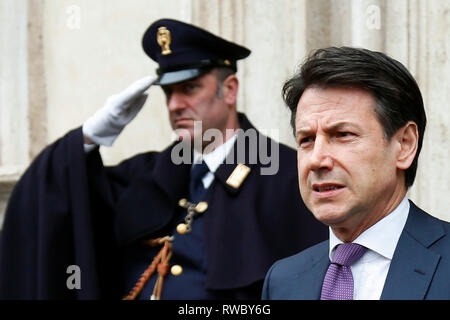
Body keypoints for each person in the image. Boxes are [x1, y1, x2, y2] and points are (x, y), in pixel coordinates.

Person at [0, 18, 327, 299]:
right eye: (169, 92)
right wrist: (89, 136)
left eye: (189, 88)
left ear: (229, 90)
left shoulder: (285, 173)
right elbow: (50, 199)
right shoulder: (148, 174)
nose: (174, 105)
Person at [262, 46, 450, 300]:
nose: (317, 160)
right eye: (306, 139)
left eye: (342, 135)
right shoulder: (283, 281)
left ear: (405, 145)